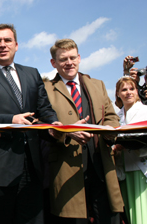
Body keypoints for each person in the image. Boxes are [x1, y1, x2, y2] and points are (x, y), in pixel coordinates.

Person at [0, 23, 61, 224]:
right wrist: (11, 120)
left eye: (7, 40)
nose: (2, 45)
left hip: (33, 168)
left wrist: (55, 125)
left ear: (16, 45)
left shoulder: (32, 73)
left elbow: (44, 109)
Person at [43, 38, 124, 224]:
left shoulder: (98, 85)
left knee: (108, 218)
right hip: (66, 170)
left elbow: (112, 116)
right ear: (53, 63)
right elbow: (42, 123)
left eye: (72, 57)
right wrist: (66, 132)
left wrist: (109, 130)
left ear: (79, 58)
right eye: (63, 59)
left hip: (101, 165)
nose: (69, 63)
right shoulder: (46, 89)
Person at [114, 76, 147, 224]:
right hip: (124, 169)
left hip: (142, 168)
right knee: (131, 215)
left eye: (132, 89)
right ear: (118, 94)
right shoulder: (116, 116)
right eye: (124, 89)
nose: (128, 92)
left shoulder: (145, 110)